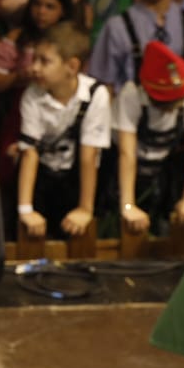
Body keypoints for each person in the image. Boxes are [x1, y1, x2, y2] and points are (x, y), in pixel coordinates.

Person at [16, 22, 112, 240]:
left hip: (77, 178)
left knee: (76, 235)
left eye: (45, 61)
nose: (35, 68)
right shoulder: (32, 95)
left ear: (72, 66)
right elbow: (29, 152)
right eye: (34, 59)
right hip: (42, 176)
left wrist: (85, 209)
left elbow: (89, 155)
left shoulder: (96, 94)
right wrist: (26, 209)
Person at [111, 41, 184, 238]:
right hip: (121, 172)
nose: (171, 110)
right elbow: (126, 153)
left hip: (162, 171)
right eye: (166, 104)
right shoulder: (131, 94)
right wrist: (128, 206)